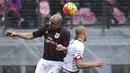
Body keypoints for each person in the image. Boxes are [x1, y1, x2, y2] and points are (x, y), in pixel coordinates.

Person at [5, 13, 70, 73]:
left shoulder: (64, 32)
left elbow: (69, 50)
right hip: (44, 60)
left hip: (57, 63)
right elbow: (31, 35)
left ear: (59, 24)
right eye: (50, 21)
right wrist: (16, 34)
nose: (50, 24)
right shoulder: (46, 27)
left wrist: (64, 48)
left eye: (53, 23)